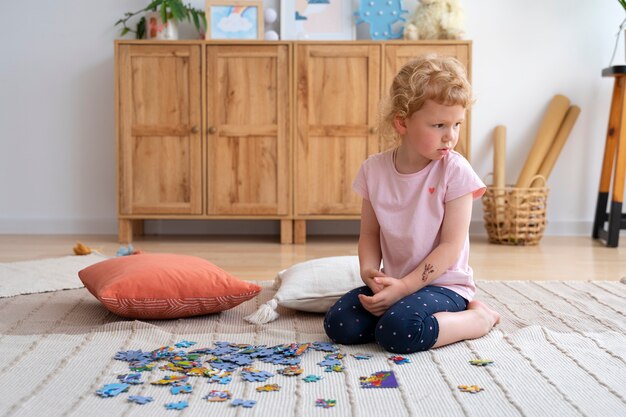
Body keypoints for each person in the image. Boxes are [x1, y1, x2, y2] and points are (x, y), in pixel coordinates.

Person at [324, 55, 500, 354]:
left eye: (457, 124)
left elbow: (451, 246)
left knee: (399, 331)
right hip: (395, 283)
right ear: (402, 122)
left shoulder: (455, 171)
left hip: (444, 285)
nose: (451, 136)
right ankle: (398, 307)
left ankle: (479, 318)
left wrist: (405, 288)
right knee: (340, 325)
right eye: (439, 125)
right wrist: (371, 273)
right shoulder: (373, 170)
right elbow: (369, 234)